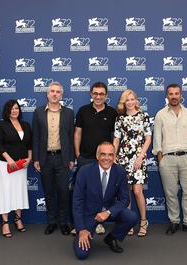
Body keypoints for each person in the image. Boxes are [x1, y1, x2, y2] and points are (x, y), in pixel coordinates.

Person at [152, 83, 187, 235]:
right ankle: (174, 222)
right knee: (171, 193)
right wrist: (161, 160)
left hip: (186, 158)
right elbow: (157, 140)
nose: (174, 96)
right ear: (167, 96)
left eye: (177, 93)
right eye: (171, 94)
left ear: (181, 95)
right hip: (167, 159)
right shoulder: (160, 114)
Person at [72, 142, 138, 260]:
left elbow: (125, 199)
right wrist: (81, 229)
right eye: (103, 154)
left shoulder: (120, 172)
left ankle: (111, 238)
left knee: (131, 216)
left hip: (108, 211)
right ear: (97, 156)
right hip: (89, 214)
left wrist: (108, 212)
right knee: (82, 254)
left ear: (114, 156)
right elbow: (77, 201)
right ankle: (80, 236)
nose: (106, 158)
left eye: (110, 155)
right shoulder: (84, 171)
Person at [74, 81, 118, 235]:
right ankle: (80, 224)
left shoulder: (112, 113)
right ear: (91, 94)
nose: (98, 96)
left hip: (105, 160)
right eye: (95, 93)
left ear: (106, 96)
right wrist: (78, 154)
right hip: (85, 158)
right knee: (83, 192)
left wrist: (112, 156)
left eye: (101, 94)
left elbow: (115, 137)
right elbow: (77, 133)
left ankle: (98, 222)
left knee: (101, 192)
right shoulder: (83, 111)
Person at [32, 82, 75, 236]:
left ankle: (63, 223)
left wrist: (71, 158)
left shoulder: (69, 113)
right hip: (45, 159)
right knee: (49, 192)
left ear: (61, 95)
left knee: (63, 191)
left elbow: (71, 137)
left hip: (62, 158)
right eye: (52, 91)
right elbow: (35, 137)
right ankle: (51, 222)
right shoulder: (38, 112)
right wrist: (36, 158)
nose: (55, 94)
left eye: (58, 92)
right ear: (47, 94)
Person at [113, 89, 152, 237]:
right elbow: (116, 139)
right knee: (126, 193)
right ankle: (128, 222)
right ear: (123, 102)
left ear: (136, 100)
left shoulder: (144, 116)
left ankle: (143, 221)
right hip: (123, 157)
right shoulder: (120, 118)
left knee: (137, 191)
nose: (129, 102)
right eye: (126, 100)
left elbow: (148, 138)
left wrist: (140, 157)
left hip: (138, 158)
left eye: (132, 99)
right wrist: (114, 156)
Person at [0, 100, 32, 238]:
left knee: (19, 191)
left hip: (21, 165)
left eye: (16, 108)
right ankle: (5, 222)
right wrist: (10, 160)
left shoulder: (26, 125)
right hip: (6, 165)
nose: (14, 111)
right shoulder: (0, 125)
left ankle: (17, 219)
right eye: (11, 108)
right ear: (7, 111)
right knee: (6, 191)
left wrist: (29, 158)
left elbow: (29, 144)